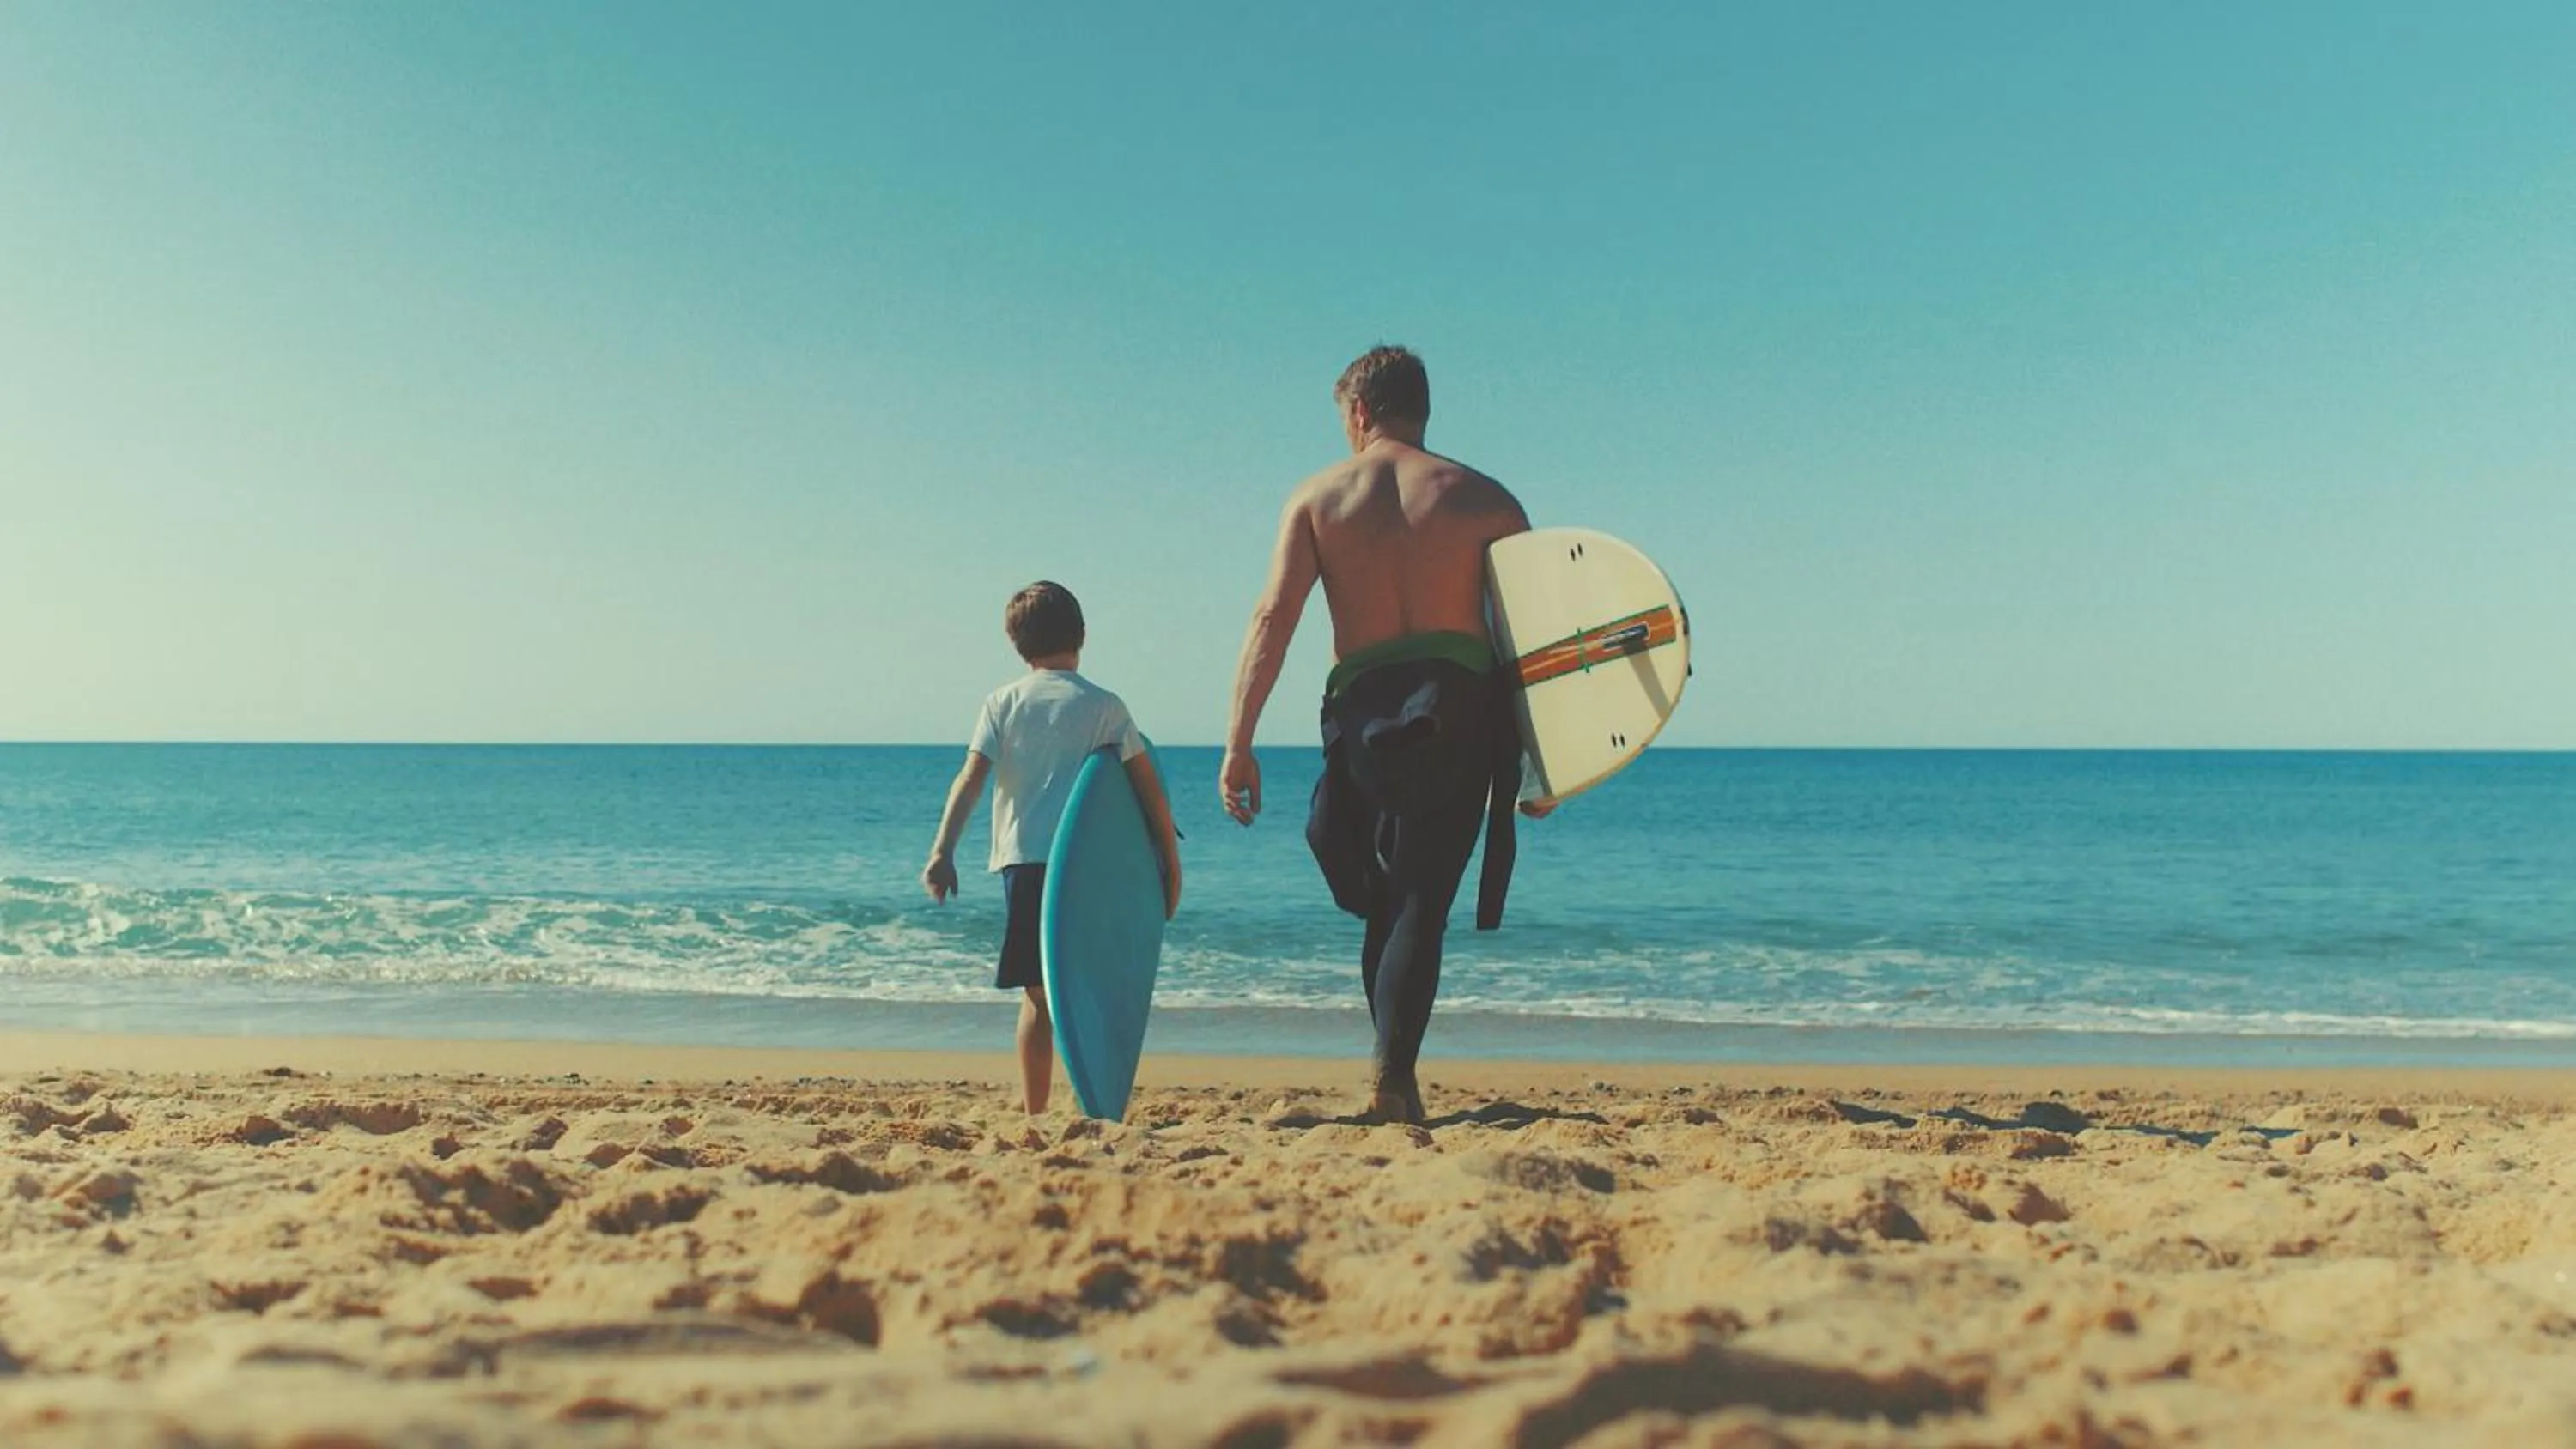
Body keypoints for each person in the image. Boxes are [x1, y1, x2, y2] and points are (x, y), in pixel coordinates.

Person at [1220, 345, 1546, 1125]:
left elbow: (1275, 616)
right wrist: (1543, 763)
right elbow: (1533, 641)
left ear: (1359, 412)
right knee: (1415, 904)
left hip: (1364, 714)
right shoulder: (1489, 501)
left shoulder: (1318, 498)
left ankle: (1392, 1079)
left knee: (1376, 884)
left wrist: (1239, 739)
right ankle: (1393, 1074)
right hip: (1462, 708)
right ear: (1420, 409)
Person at [923, 581, 1182, 1114]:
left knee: (1039, 997)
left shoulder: (1002, 702)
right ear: (1082, 634)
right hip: (1091, 868)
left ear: (1017, 645)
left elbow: (970, 779)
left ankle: (1036, 1112)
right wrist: (1168, 859)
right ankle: (1102, 1099)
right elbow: (1145, 786)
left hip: (1024, 865)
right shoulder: (1104, 707)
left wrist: (942, 849)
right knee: (1100, 975)